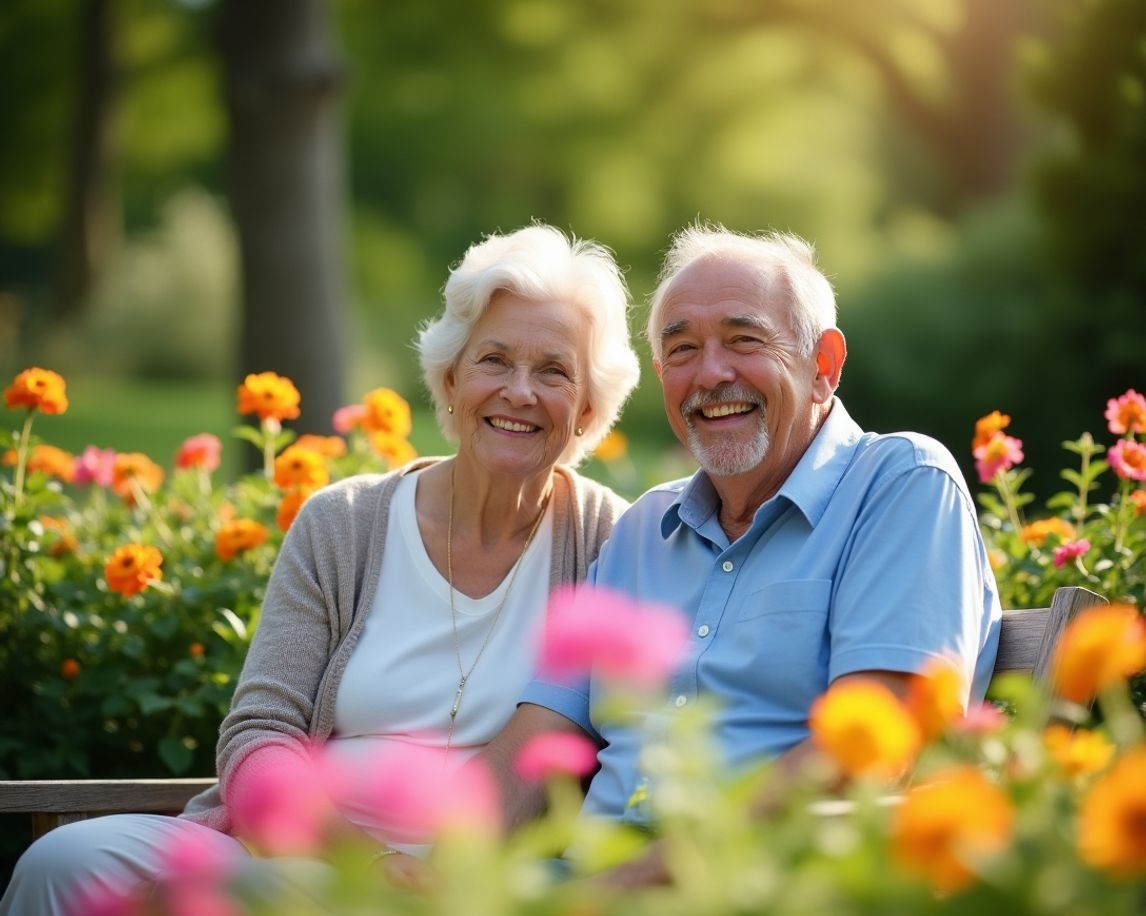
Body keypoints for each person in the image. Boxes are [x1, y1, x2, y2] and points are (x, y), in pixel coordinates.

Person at [0, 224, 642, 912]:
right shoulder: (345, 521)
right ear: (451, 380)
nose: (519, 390)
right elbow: (259, 732)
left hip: (471, 879)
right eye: (494, 360)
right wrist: (358, 857)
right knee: (62, 862)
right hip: (302, 843)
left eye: (553, 371)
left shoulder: (609, 541)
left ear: (587, 411)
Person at [480, 224, 1002, 885]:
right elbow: (539, 731)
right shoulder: (643, 531)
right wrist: (437, 867)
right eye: (683, 350)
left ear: (824, 365)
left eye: (744, 340)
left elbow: (872, 740)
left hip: (769, 887)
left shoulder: (900, 485)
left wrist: (634, 883)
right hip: (581, 887)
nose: (711, 374)